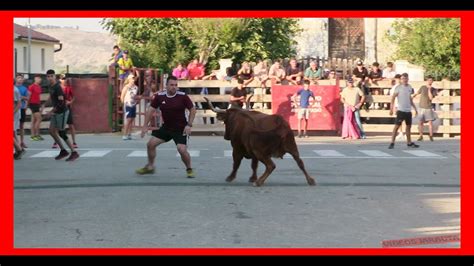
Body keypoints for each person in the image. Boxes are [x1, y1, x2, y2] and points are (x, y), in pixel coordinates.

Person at [136, 76, 197, 178]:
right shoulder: (160, 96)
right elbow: (151, 110)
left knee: (181, 150)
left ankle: (189, 169)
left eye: (176, 85)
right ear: (166, 86)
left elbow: (193, 109)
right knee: (150, 144)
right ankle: (150, 167)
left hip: (180, 128)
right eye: (172, 85)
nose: (174, 87)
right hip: (166, 128)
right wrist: (145, 126)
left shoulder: (183, 96)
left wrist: (189, 125)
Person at [41, 69, 79, 161]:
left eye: (51, 76)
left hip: (62, 112)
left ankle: (74, 152)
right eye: (48, 76)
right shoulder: (51, 86)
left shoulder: (58, 87)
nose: (50, 78)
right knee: (51, 131)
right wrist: (44, 104)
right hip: (56, 112)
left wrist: (51, 111)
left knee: (61, 132)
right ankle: (63, 151)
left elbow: (61, 102)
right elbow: (51, 97)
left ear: (55, 76)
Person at [388, 73, 419, 149]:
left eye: (406, 79)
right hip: (401, 110)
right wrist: (391, 108)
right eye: (403, 79)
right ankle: (392, 142)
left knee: (408, 126)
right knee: (397, 126)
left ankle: (409, 142)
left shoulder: (409, 87)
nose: (404, 80)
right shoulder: (398, 87)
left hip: (408, 110)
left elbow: (410, 99)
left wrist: (415, 108)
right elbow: (393, 98)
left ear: (408, 79)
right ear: (401, 80)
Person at [52, 75, 78, 148]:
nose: (63, 80)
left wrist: (70, 102)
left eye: (64, 79)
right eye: (62, 79)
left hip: (67, 108)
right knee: (57, 127)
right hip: (59, 109)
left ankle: (74, 142)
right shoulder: (57, 88)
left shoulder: (68, 88)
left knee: (71, 125)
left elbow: (74, 97)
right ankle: (56, 142)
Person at [412, 76, 437, 141]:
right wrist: (412, 97)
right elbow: (417, 93)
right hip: (421, 107)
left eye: (431, 80)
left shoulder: (434, 89)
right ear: (427, 81)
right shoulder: (423, 87)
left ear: (432, 81)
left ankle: (431, 135)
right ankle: (421, 135)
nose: (430, 81)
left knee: (430, 122)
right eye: (429, 80)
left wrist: (429, 90)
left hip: (428, 107)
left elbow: (431, 98)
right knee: (420, 122)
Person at [121, 74, 140, 140]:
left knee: (132, 119)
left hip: (133, 105)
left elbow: (135, 96)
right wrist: (124, 104)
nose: (133, 79)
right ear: (129, 79)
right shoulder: (126, 87)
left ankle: (129, 134)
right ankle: (124, 134)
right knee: (128, 119)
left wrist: (137, 100)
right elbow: (122, 96)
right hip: (127, 105)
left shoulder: (136, 87)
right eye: (132, 78)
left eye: (134, 78)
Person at [14, 74, 30, 149]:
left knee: (21, 126)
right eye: (18, 78)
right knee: (14, 127)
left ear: (23, 80)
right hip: (14, 109)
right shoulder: (14, 88)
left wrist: (22, 97)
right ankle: (16, 142)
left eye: (21, 78)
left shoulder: (24, 88)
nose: (20, 79)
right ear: (16, 79)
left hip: (22, 108)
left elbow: (27, 98)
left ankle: (22, 142)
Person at [28, 75, 44, 141]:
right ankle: (37, 135)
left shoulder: (39, 87)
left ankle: (33, 136)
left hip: (37, 104)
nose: (39, 79)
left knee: (34, 120)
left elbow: (38, 97)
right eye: (38, 78)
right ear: (35, 79)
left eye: (40, 78)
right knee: (39, 119)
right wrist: (27, 104)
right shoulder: (31, 87)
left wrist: (40, 105)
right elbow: (28, 96)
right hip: (32, 104)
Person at [14, 85, 25, 160]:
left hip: (14, 114)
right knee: (13, 132)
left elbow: (18, 104)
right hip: (15, 113)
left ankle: (19, 149)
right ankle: (19, 149)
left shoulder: (13, 90)